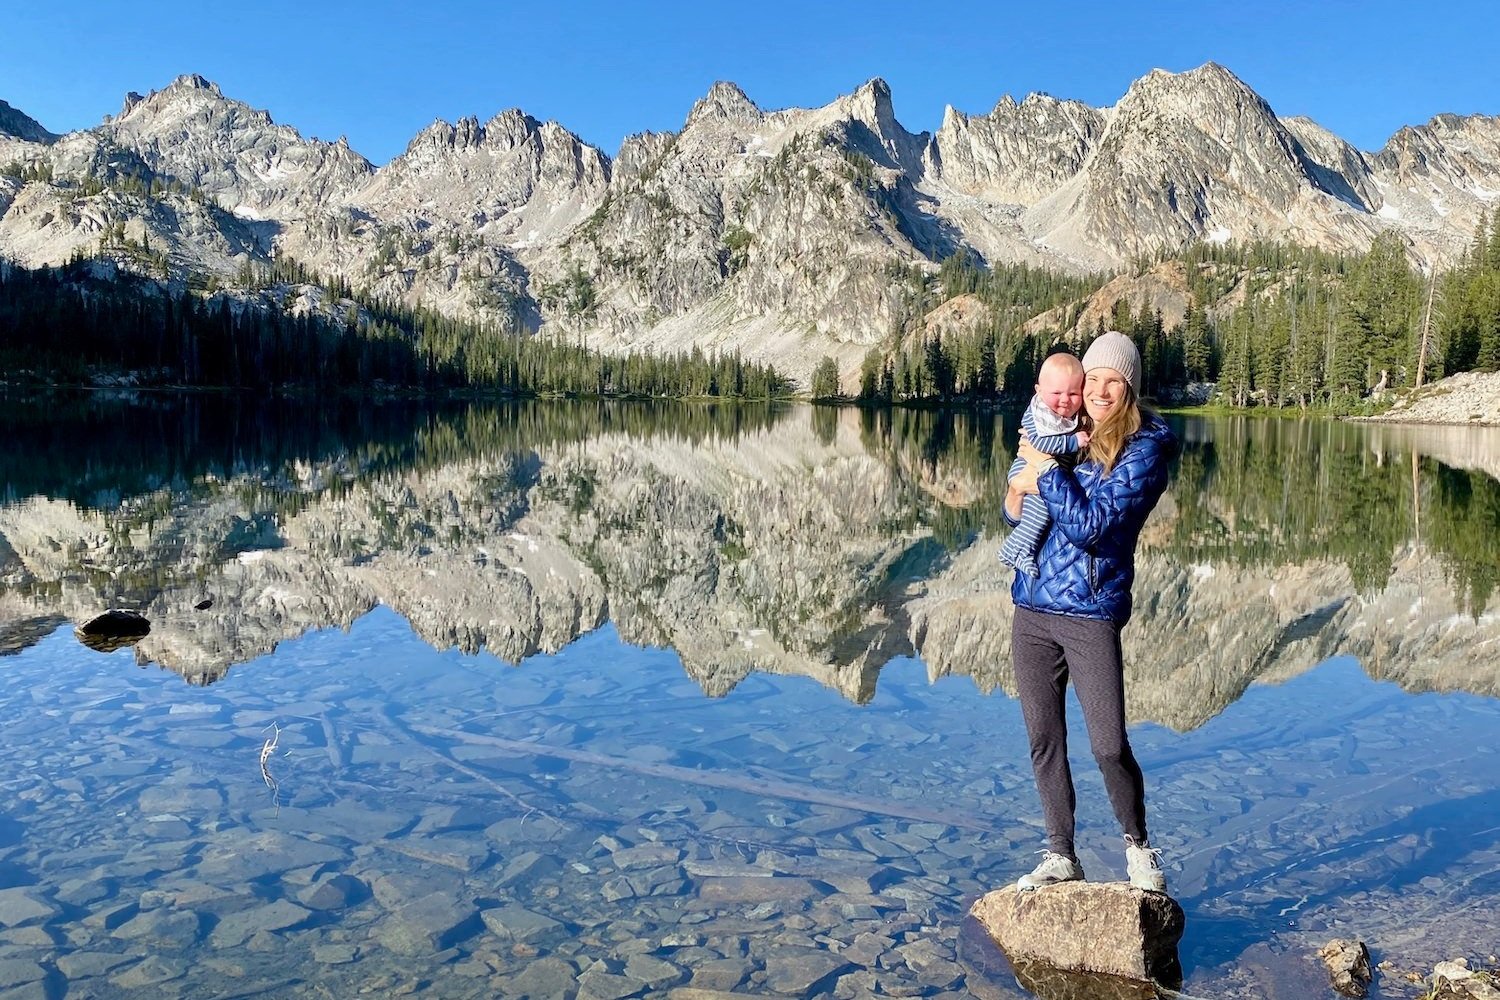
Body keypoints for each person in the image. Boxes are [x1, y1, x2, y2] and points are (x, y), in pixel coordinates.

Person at [1000, 330, 1178, 894]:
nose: (1098, 390)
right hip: (1031, 607)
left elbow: (1092, 528)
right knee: (1044, 741)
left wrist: (1044, 473)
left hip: (1090, 611)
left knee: (1107, 744)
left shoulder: (1145, 449)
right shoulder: (1065, 433)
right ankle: (1060, 853)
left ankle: (1138, 847)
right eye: (1091, 380)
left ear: (1130, 387)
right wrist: (1018, 493)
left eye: (1111, 380)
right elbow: (1023, 511)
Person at [998, 352, 1090, 577]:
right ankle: (1013, 550)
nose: (1065, 399)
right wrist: (1073, 441)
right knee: (1039, 513)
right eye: (1057, 392)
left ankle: (1022, 552)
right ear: (1039, 391)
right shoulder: (1038, 415)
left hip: (1040, 474)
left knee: (1039, 515)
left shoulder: (1070, 418)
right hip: (1029, 470)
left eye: (1073, 393)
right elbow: (1040, 441)